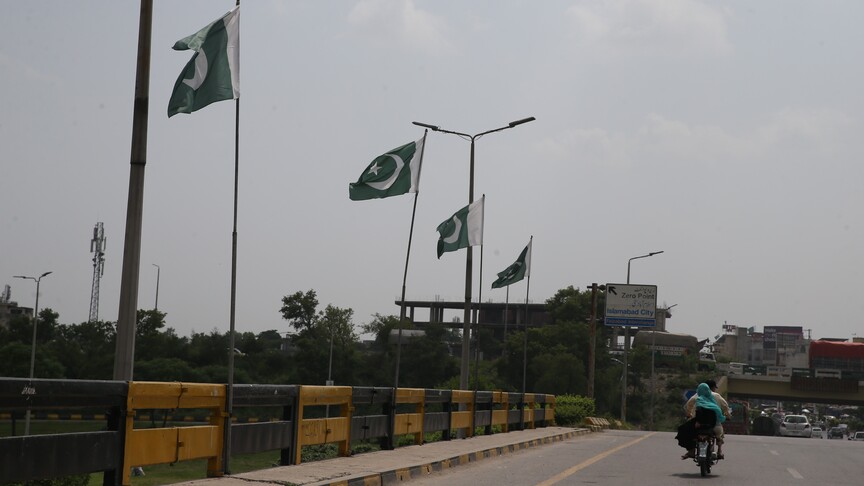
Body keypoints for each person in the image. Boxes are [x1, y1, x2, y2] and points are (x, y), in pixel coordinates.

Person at [675, 382, 727, 459]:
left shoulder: (697, 398)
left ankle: (691, 450)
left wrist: (689, 415)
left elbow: (688, 407)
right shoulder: (714, 400)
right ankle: (719, 451)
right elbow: (725, 407)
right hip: (713, 425)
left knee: (685, 431)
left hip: (698, 424)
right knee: (719, 435)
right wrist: (726, 415)